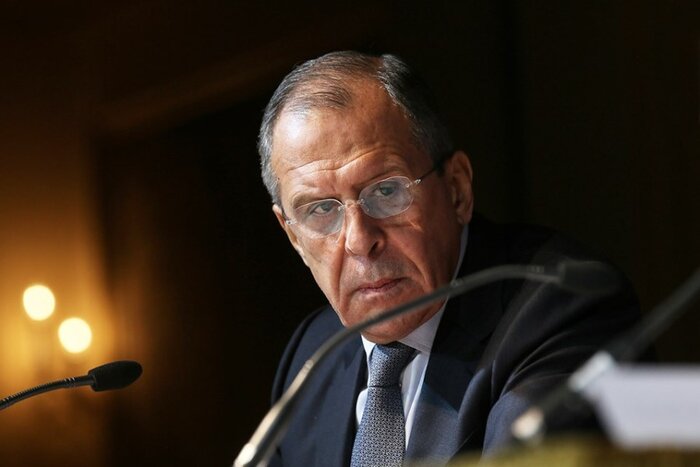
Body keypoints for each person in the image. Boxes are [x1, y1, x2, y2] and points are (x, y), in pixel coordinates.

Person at [257, 51, 640, 466]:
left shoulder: (561, 311)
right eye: (320, 210)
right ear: (293, 236)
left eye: (386, 191)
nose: (359, 241)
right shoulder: (313, 355)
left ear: (457, 189)